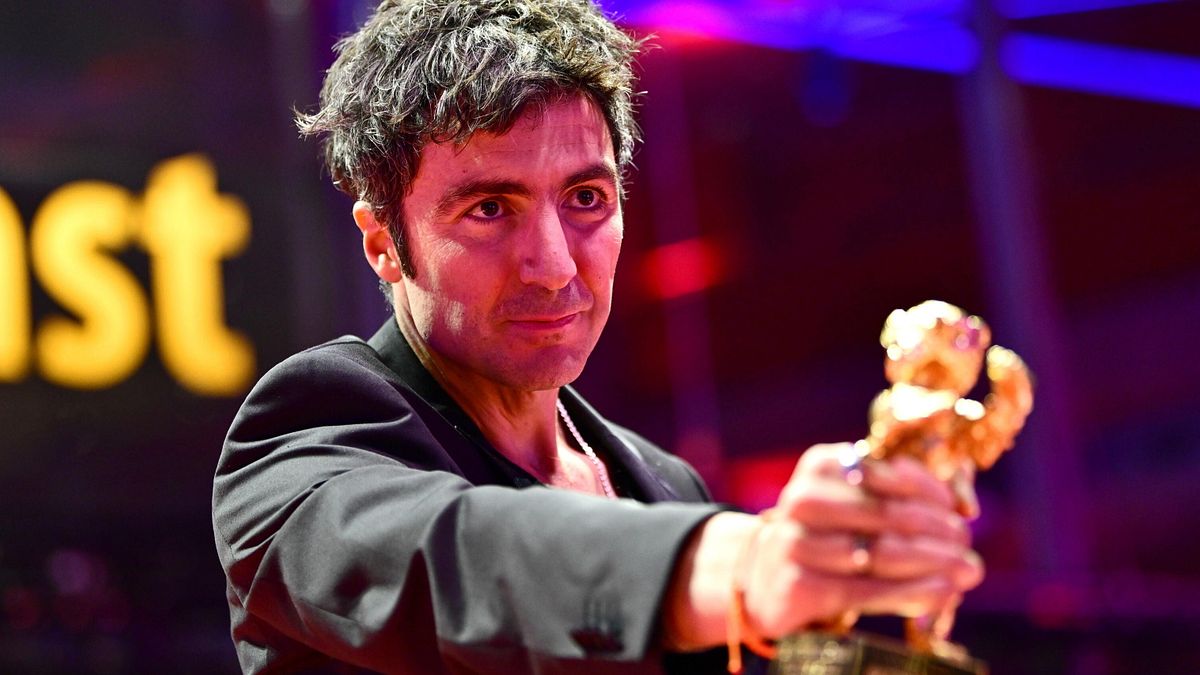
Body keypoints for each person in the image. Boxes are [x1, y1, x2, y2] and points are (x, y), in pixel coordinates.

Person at [211, 0, 983, 673]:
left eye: (585, 197)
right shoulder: (306, 433)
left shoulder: (666, 486)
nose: (553, 266)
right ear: (383, 241)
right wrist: (746, 560)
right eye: (489, 209)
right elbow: (464, 555)